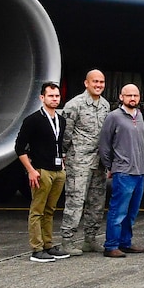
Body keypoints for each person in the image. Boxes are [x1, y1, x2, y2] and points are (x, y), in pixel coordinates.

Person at [57, 69, 111, 254]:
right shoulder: (74, 105)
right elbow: (65, 134)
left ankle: (90, 238)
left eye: (101, 82)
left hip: (99, 161)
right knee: (75, 200)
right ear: (86, 83)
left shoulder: (105, 105)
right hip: (79, 161)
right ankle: (67, 240)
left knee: (96, 201)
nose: (98, 85)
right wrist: (66, 154)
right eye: (95, 81)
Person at [16, 81, 69, 261]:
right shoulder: (33, 120)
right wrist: (31, 170)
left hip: (57, 171)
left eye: (57, 96)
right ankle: (36, 248)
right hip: (41, 170)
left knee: (50, 209)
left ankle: (48, 244)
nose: (54, 99)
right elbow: (19, 148)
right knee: (37, 210)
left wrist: (62, 162)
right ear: (42, 98)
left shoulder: (61, 120)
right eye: (51, 96)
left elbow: (57, 144)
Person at [99, 83, 144, 257]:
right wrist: (110, 166)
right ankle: (111, 245)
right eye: (129, 95)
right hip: (123, 171)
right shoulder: (114, 117)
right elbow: (104, 144)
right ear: (121, 97)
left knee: (132, 212)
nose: (132, 98)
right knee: (118, 210)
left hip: (139, 171)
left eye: (135, 95)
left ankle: (125, 242)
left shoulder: (140, 116)